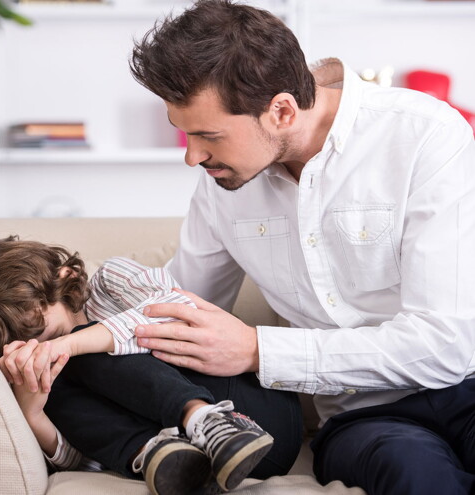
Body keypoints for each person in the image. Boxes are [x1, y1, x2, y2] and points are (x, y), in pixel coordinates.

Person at [128, 1, 475, 494]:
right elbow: (177, 307)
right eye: (184, 133)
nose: (192, 156)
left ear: (283, 110)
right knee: (417, 476)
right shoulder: (222, 185)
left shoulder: (425, 136)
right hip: (365, 418)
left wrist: (257, 350)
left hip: (469, 384)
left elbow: (444, 346)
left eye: (208, 135)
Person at [0, 236, 300, 494]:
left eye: (45, 333)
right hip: (203, 464)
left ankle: (207, 420)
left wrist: (72, 343)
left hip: (256, 414)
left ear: (63, 278)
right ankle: (160, 457)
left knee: (88, 348)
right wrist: (33, 413)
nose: (42, 349)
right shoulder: (47, 369)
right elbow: (85, 458)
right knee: (57, 383)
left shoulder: (112, 280)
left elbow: (181, 311)